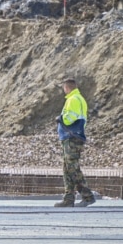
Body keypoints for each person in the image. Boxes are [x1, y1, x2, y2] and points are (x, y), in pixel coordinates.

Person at [55, 77, 95, 207]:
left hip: (71, 137)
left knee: (72, 168)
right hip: (73, 137)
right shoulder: (80, 99)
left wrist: (61, 119)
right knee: (67, 168)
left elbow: (69, 118)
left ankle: (87, 196)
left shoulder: (72, 100)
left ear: (67, 88)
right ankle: (69, 198)